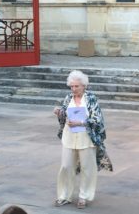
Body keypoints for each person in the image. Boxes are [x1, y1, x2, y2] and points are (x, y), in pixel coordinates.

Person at [53, 70, 113, 209]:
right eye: (71, 86)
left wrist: (81, 123)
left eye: (76, 86)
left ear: (84, 86)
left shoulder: (91, 98)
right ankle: (64, 196)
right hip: (69, 136)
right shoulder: (68, 97)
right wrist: (59, 112)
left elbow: (98, 119)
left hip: (86, 138)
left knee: (87, 168)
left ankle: (83, 196)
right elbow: (63, 113)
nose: (73, 89)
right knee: (66, 166)